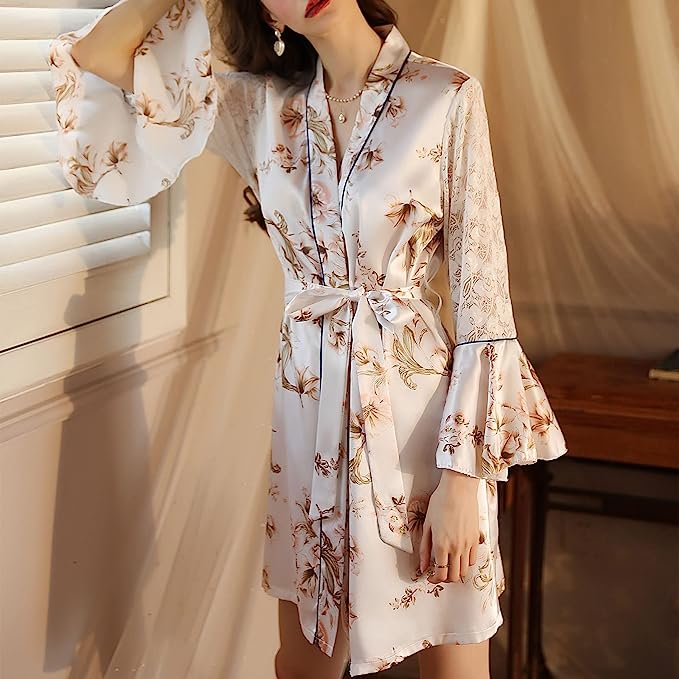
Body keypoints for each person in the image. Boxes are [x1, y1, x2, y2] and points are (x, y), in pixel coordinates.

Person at [48, 0, 568, 676]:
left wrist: (461, 483)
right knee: (302, 667)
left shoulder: (445, 96)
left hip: (424, 432)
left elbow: (484, 307)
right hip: (308, 425)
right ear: (267, 13)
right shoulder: (257, 110)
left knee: (453, 662)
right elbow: (97, 57)